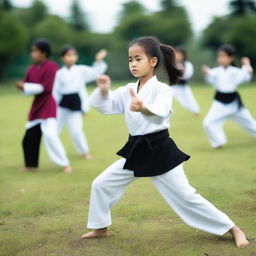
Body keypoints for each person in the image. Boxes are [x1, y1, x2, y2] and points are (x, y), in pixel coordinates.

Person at [81, 37, 248, 248]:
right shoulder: (127, 91)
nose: (132, 63)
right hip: (136, 150)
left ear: (152, 61)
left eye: (138, 59)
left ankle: (234, 229)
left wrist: (144, 108)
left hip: (160, 151)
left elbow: (161, 113)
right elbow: (108, 106)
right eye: (130, 59)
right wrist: (104, 91)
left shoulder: (162, 90)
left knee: (187, 198)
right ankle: (100, 228)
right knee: (101, 184)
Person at [16, 38, 72, 173]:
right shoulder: (31, 69)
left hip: (48, 106)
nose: (32, 54)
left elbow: (45, 88)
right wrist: (22, 88)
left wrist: (25, 86)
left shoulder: (52, 67)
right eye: (32, 51)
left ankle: (65, 164)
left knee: (50, 135)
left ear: (43, 53)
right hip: (37, 107)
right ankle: (30, 165)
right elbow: (27, 89)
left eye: (35, 51)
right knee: (28, 138)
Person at [53, 45, 108, 159]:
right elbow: (55, 91)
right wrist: (54, 107)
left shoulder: (80, 70)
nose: (71, 57)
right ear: (63, 58)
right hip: (62, 104)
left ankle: (84, 152)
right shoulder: (59, 73)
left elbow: (95, 73)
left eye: (73, 55)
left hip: (76, 103)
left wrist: (98, 60)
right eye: (68, 55)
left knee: (76, 131)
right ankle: (57, 154)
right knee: (54, 131)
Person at [202, 44, 256, 148]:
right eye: (220, 56)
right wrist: (206, 73)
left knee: (250, 123)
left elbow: (246, 76)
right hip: (219, 102)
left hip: (234, 104)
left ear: (230, 58)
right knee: (208, 122)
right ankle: (218, 142)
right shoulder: (216, 71)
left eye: (224, 56)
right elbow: (210, 78)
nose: (221, 59)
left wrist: (247, 64)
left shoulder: (235, 71)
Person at [172, 46, 200, 115]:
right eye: (176, 54)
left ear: (184, 55)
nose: (177, 56)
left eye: (179, 54)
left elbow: (188, 75)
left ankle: (196, 111)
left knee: (188, 100)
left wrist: (182, 73)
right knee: (166, 97)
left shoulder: (187, 64)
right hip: (173, 86)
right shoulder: (173, 63)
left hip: (183, 87)